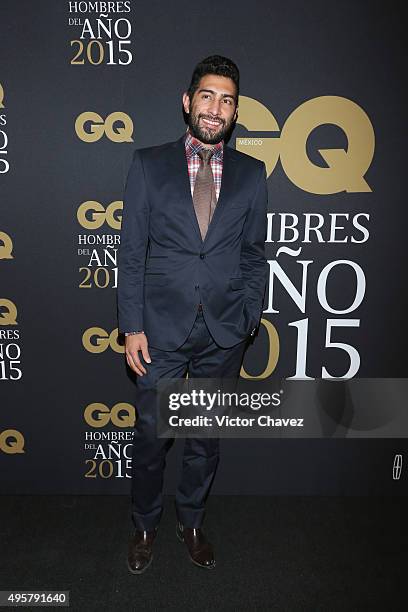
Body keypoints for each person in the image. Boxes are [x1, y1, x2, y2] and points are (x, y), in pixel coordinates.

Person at [117, 55, 268, 574]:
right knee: (153, 437)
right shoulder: (148, 164)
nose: (216, 108)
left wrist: (250, 315)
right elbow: (132, 250)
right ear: (188, 102)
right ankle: (144, 524)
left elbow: (253, 253)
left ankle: (193, 521)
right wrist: (132, 326)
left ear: (235, 111)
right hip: (159, 330)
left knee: (204, 439)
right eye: (207, 95)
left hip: (224, 331)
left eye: (227, 99)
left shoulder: (252, 173)